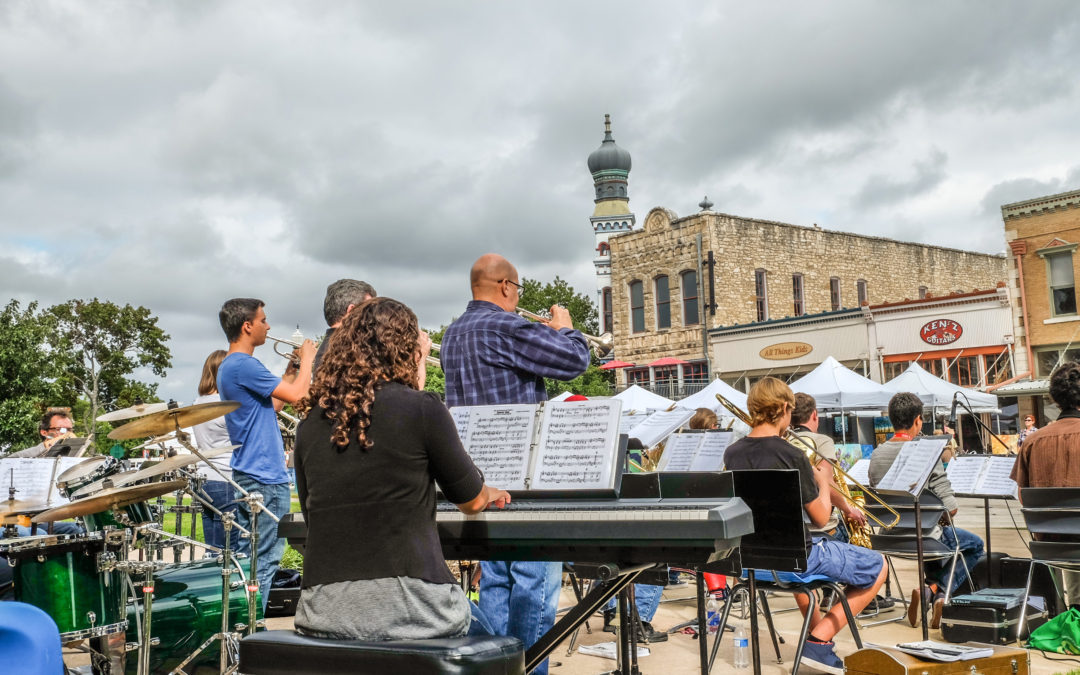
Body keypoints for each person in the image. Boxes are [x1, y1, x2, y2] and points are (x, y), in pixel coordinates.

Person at [293, 297, 510, 639]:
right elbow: (470, 502)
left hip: (324, 610)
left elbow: (311, 514)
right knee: (501, 642)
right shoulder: (422, 409)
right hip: (412, 607)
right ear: (406, 349)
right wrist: (487, 490)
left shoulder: (309, 423)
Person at [441, 253, 590, 674]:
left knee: (497, 581)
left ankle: (494, 665)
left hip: (478, 478)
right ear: (506, 286)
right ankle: (529, 667)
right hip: (522, 477)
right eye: (517, 289)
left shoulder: (454, 333)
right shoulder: (505, 325)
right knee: (534, 585)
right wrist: (566, 329)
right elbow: (575, 362)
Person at [723, 377, 885, 674]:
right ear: (785, 408)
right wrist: (822, 477)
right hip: (794, 559)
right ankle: (819, 641)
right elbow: (822, 518)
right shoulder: (792, 454)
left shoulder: (731, 453)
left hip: (749, 563)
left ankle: (817, 639)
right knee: (878, 565)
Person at [217, 298, 316, 611]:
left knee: (252, 556)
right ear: (247, 326)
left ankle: (244, 627)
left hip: (249, 473)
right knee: (267, 559)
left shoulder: (230, 366)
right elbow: (301, 395)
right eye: (263, 320)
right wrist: (309, 359)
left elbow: (273, 406)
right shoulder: (244, 364)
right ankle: (252, 628)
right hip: (264, 476)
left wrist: (289, 373)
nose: (269, 326)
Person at [869, 391, 985, 628]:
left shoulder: (877, 454)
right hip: (923, 539)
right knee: (974, 545)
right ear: (918, 420)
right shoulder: (927, 453)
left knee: (932, 533)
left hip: (889, 539)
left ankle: (929, 590)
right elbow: (951, 510)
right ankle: (937, 590)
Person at [1012, 362, 1080, 611]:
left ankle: (1071, 611)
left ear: (1055, 399)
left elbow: (1023, 497)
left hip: (1049, 546)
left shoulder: (1033, 441)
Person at [191, 350, 238, 554]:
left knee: (213, 548)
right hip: (225, 475)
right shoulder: (226, 405)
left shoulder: (197, 403)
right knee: (230, 550)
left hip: (202, 478)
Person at [314, 279, 376, 369]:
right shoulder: (348, 353)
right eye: (369, 310)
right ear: (352, 310)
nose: (373, 316)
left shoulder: (327, 349)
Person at [8, 409, 76, 457]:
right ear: (44, 432)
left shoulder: (74, 456)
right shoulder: (22, 456)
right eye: (59, 429)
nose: (67, 434)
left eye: (69, 430)